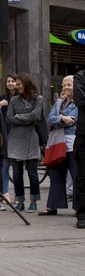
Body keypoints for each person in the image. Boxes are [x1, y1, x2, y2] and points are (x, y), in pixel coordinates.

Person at [39, 75, 78, 216]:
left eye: (69, 84)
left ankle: (79, 207)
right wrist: (62, 118)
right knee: (55, 175)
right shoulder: (58, 103)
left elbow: (73, 120)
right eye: (64, 85)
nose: (66, 87)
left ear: (76, 86)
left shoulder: (79, 103)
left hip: (74, 145)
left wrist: (60, 119)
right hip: (58, 144)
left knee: (77, 176)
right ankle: (52, 206)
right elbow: (50, 119)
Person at [6, 72, 43, 213]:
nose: (17, 86)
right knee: (16, 174)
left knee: (32, 173)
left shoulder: (38, 99)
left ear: (26, 84)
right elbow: (9, 118)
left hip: (31, 139)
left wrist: (18, 117)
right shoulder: (14, 100)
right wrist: (27, 119)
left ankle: (33, 201)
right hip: (15, 139)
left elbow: (36, 116)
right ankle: (20, 201)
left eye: (19, 84)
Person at [0, 73, 18, 204]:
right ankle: (5, 193)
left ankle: (17, 195)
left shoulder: (21, 97)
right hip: (4, 135)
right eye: (8, 81)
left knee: (16, 167)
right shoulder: (1, 98)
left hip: (17, 136)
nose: (10, 83)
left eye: (13, 81)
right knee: (4, 166)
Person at [74, 70, 85, 228]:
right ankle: (82, 214)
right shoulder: (80, 76)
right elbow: (81, 99)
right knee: (83, 176)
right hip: (84, 135)